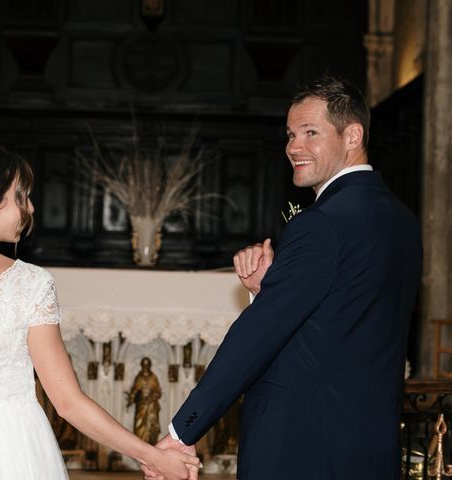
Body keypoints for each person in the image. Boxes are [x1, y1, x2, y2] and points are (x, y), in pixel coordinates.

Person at [145, 74, 423, 479]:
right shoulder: (404, 221)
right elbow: (345, 320)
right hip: (368, 442)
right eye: (291, 134)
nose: (294, 147)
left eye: (311, 132)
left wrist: (182, 431)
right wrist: (267, 287)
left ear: (352, 135)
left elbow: (258, 336)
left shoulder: (322, 223)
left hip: (301, 443)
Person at [0, 143, 200, 479]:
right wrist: (150, 455)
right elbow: (68, 402)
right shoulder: (28, 282)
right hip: (10, 449)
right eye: (21, 196)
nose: (30, 207)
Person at [126, 357, 162, 445]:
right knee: (139, 426)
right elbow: (134, 391)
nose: (145, 367)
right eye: (144, 365)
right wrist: (131, 399)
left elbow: (158, 392)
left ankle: (151, 444)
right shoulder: (138, 378)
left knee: (151, 427)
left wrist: (150, 398)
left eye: (147, 365)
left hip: (151, 407)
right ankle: (140, 446)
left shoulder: (153, 377)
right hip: (141, 406)